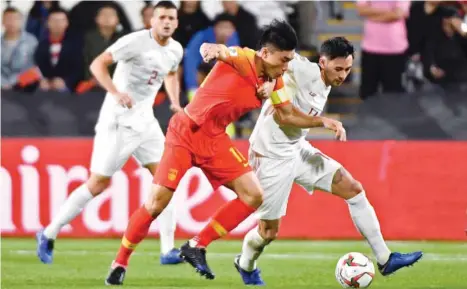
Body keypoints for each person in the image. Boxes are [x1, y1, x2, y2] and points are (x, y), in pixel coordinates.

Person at [106, 19, 348, 285]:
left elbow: (288, 114)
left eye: (290, 60)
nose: (286, 66)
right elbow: (220, 50)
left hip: (215, 139)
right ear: (265, 53)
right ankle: (120, 261)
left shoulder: (276, 80)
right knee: (155, 205)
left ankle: (196, 246)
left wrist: (322, 121)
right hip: (186, 133)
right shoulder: (243, 57)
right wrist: (210, 49)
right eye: (283, 60)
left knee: (253, 195)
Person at [234, 37, 423, 285]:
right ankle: (245, 264)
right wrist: (233, 57)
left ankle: (385, 259)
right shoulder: (302, 68)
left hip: (296, 148)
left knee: (354, 189)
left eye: (347, 69)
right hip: (269, 156)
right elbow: (262, 59)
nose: (343, 75)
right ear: (322, 62)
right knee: (268, 232)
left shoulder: (326, 81)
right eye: (338, 69)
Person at [35, 1, 184, 266]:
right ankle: (48, 233)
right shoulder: (134, 41)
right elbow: (97, 65)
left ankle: (167, 250)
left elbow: (171, 73)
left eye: (171, 18)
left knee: (167, 182)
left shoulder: (175, 49)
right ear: (152, 21)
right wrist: (115, 93)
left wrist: (174, 100)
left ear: (176, 22)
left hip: (146, 122)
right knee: (97, 184)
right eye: (161, 17)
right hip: (118, 121)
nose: (166, 22)